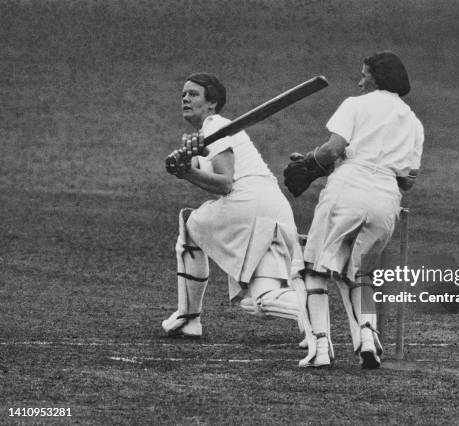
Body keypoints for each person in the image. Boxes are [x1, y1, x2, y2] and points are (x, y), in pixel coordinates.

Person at [163, 72, 316, 365]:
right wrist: (187, 163)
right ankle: (312, 315)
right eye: (183, 93)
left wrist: (186, 171)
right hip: (273, 206)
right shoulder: (205, 135)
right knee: (259, 300)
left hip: (247, 202)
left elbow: (225, 183)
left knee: (189, 224)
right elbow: (208, 178)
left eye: (194, 94)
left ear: (212, 103)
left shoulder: (215, 125)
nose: (185, 98)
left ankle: (189, 317)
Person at [283, 52, 424, 369]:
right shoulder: (414, 123)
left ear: (376, 77)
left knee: (313, 269)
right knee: (359, 273)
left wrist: (308, 163)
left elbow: (333, 149)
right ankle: (366, 340)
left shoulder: (356, 105)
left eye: (364, 75)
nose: (360, 81)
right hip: (387, 200)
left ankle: (320, 349)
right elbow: (409, 180)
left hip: (346, 190)